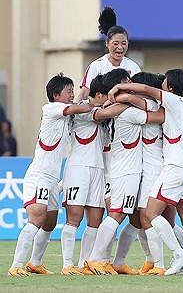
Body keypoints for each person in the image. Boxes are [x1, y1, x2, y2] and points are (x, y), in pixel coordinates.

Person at [106, 69, 183, 276]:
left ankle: (177, 255)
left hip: (174, 166)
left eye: (165, 83)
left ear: (171, 89)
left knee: (149, 214)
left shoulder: (173, 101)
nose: (162, 86)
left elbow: (143, 90)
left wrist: (119, 88)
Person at [8, 74, 93, 276]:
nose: (72, 94)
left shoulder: (64, 113)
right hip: (40, 175)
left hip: (52, 178)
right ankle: (16, 266)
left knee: (50, 222)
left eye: (73, 90)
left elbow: (77, 109)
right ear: (56, 95)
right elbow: (82, 107)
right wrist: (94, 97)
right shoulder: (52, 108)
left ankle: (34, 263)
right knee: (36, 218)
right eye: (68, 91)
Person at [59, 75, 130, 275]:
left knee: (95, 219)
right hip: (78, 168)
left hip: (98, 170)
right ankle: (67, 265)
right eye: (110, 93)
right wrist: (132, 103)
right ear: (99, 94)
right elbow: (106, 113)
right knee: (74, 218)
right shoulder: (83, 109)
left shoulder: (102, 110)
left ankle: (84, 264)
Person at [77, 6, 140, 101]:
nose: (120, 47)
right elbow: (84, 94)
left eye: (124, 43)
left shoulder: (133, 67)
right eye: (115, 43)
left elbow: (141, 92)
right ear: (107, 43)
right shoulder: (97, 66)